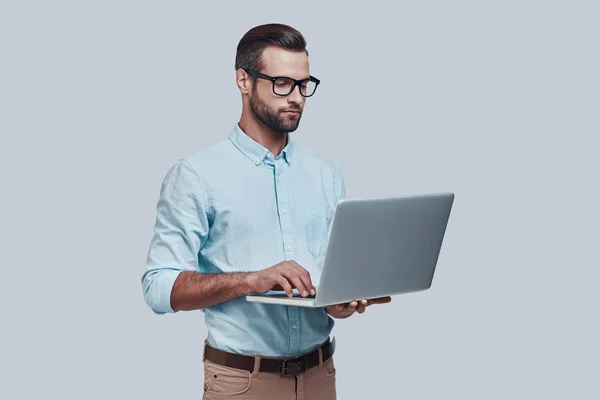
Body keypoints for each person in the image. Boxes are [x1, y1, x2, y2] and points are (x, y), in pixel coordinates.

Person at [141, 23, 391, 399]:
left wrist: (338, 300)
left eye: (303, 85)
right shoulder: (195, 175)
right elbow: (158, 287)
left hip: (321, 376)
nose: (297, 98)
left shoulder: (327, 173)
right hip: (243, 383)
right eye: (282, 83)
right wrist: (250, 280)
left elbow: (325, 275)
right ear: (244, 81)